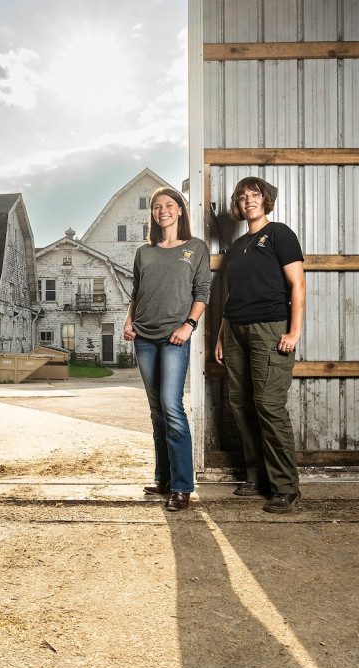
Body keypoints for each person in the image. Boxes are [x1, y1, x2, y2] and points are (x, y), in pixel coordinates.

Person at [213, 177, 305, 513]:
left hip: (270, 328)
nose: (249, 200)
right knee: (241, 403)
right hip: (236, 329)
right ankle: (257, 477)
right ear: (237, 205)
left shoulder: (280, 234)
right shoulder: (237, 247)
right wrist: (222, 334)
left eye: (255, 195)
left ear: (266, 200)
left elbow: (297, 284)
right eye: (242, 196)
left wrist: (294, 332)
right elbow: (231, 295)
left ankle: (285, 487)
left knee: (268, 405)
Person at [124, 187, 211, 512]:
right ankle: (163, 479)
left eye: (169, 205)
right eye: (157, 206)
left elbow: (203, 290)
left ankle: (182, 487)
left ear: (180, 210)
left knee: (172, 408)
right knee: (156, 412)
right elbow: (137, 290)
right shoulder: (144, 252)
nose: (163, 210)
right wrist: (128, 320)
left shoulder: (195, 248)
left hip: (175, 336)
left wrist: (189, 325)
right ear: (153, 214)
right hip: (143, 336)